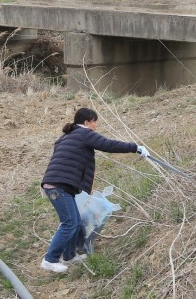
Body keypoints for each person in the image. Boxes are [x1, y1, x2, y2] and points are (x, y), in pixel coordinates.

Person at [40, 107, 149, 274]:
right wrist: (135, 148)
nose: (96, 126)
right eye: (95, 122)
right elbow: (108, 145)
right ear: (86, 122)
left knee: (74, 221)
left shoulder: (66, 137)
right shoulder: (84, 134)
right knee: (69, 223)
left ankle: (69, 256)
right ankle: (50, 260)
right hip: (58, 186)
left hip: (59, 184)